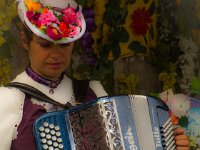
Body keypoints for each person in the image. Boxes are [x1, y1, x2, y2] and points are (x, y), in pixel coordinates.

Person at [0, 0, 190, 149]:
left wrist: (170, 145)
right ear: (25, 41)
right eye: (45, 44)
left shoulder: (93, 92)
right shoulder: (8, 100)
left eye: (65, 45)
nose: (56, 54)